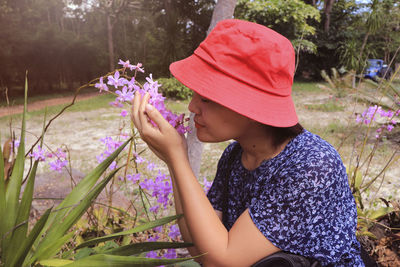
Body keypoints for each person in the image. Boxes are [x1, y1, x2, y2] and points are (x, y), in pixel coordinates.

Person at [131, 19, 364, 266]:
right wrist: (173, 159)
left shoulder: (311, 165)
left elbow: (222, 261)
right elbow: (197, 244)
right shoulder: (235, 156)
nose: (192, 107)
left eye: (207, 98)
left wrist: (178, 157)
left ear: (249, 105)